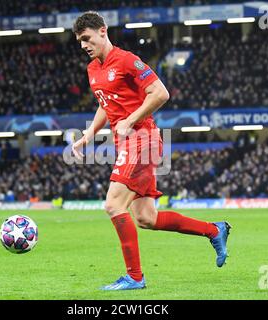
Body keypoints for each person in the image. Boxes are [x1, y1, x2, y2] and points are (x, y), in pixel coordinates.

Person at [71, 11, 231, 291]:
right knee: (147, 218)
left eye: (86, 38)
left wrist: (130, 120)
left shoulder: (127, 60)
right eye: (80, 41)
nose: (84, 45)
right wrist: (89, 134)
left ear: (102, 32)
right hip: (127, 142)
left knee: (113, 204)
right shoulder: (92, 69)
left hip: (142, 139)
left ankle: (134, 277)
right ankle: (214, 230)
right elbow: (104, 102)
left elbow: (160, 93)